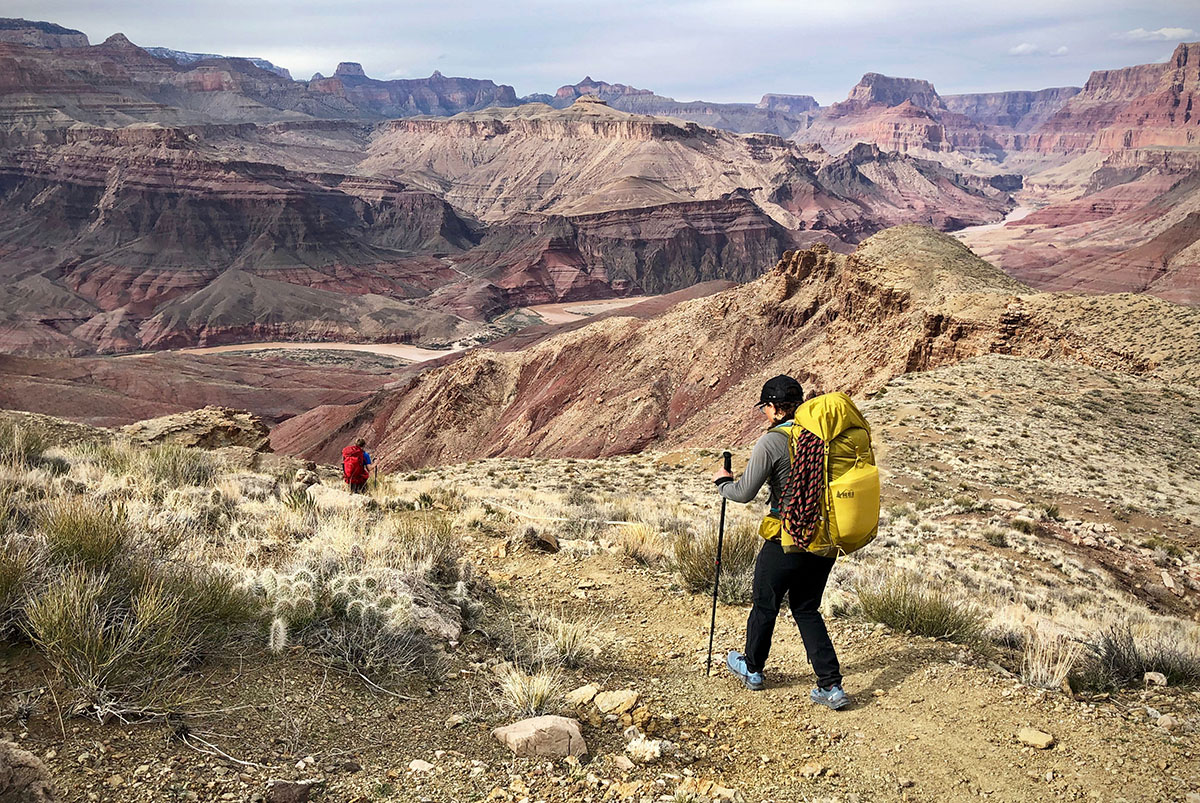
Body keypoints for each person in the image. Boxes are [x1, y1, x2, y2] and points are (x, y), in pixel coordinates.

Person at [712, 375, 850, 710]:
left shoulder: (772, 442)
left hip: (787, 538)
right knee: (806, 608)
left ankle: (753, 669)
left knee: (765, 603)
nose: (765, 414)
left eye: (766, 408)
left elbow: (743, 493)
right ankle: (831, 686)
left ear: (774, 409)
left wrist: (722, 483)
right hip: (823, 538)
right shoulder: (822, 436)